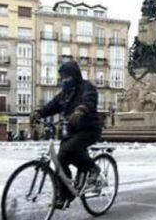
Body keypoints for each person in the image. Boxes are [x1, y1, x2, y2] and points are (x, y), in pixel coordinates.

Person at [31, 60, 102, 208]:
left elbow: (90, 99)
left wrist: (81, 110)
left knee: (67, 151)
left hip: (89, 129)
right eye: (62, 77)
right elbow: (52, 106)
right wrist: (39, 113)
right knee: (61, 160)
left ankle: (93, 169)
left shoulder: (86, 87)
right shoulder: (64, 94)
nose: (64, 80)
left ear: (75, 75)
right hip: (71, 131)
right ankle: (65, 196)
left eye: (67, 76)